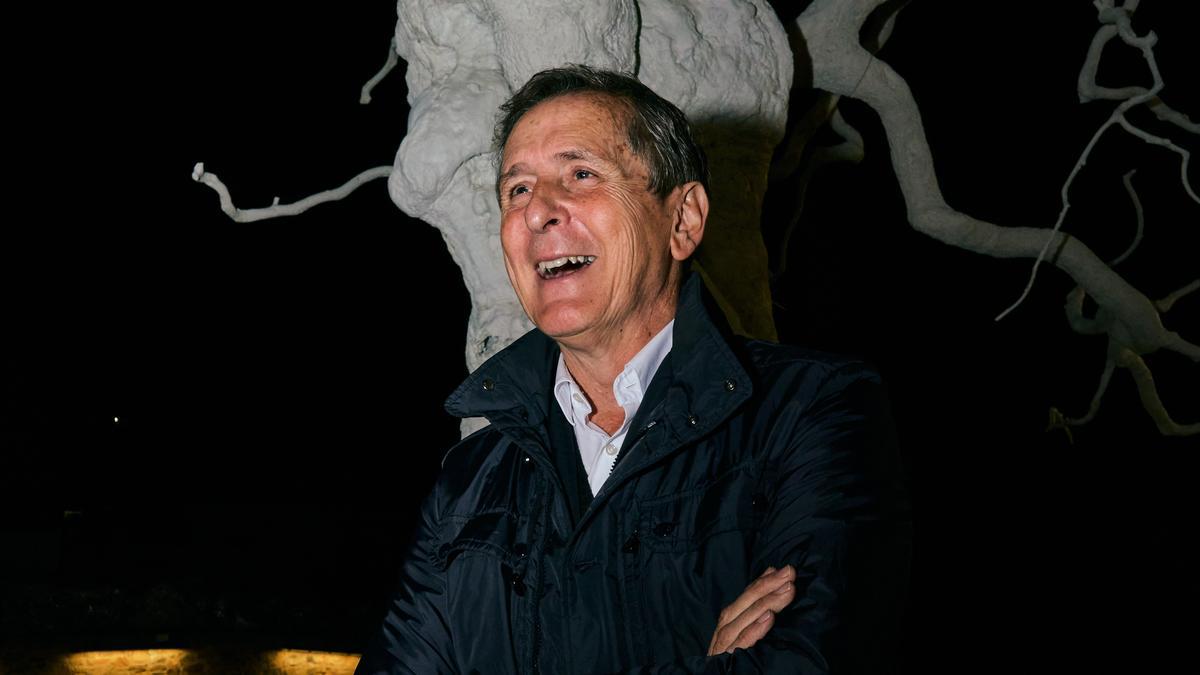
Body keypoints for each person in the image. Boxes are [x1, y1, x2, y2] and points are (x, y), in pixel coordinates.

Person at [356, 65, 910, 674]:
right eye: (517, 189)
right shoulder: (468, 482)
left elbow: (806, 662)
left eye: (581, 174)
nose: (538, 211)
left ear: (683, 220)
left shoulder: (813, 411)